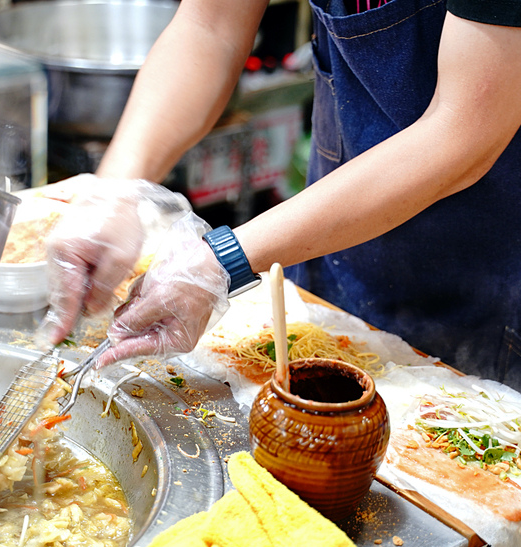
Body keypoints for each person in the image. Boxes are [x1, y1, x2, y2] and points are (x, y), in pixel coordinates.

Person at [37, 0, 521, 393]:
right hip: (337, 235)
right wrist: (115, 189)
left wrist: (221, 261)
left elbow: (466, 132)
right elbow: (211, 27)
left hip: (495, 272)